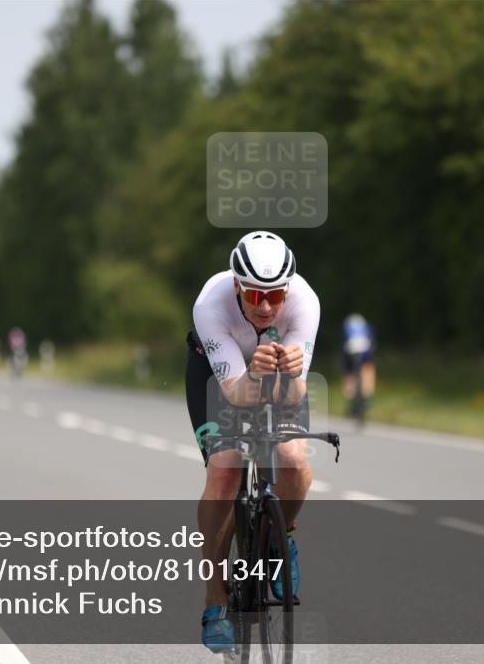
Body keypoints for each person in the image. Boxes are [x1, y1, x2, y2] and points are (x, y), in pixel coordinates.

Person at [185, 231, 320, 653]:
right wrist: (257, 374)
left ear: (288, 290)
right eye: (254, 295)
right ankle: (215, 600)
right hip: (217, 377)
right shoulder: (211, 304)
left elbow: (293, 397)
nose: (265, 307)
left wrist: (292, 375)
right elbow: (236, 394)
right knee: (225, 468)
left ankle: (281, 541)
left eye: (275, 296)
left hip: (275, 379)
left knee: (294, 461)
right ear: (237, 285)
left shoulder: (305, 302)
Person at [341, 313, 376, 422]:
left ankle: (352, 402)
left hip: (349, 351)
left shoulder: (346, 326)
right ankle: (366, 398)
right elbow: (372, 340)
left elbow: (341, 344)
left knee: (349, 374)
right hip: (365, 350)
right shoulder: (366, 325)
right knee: (368, 369)